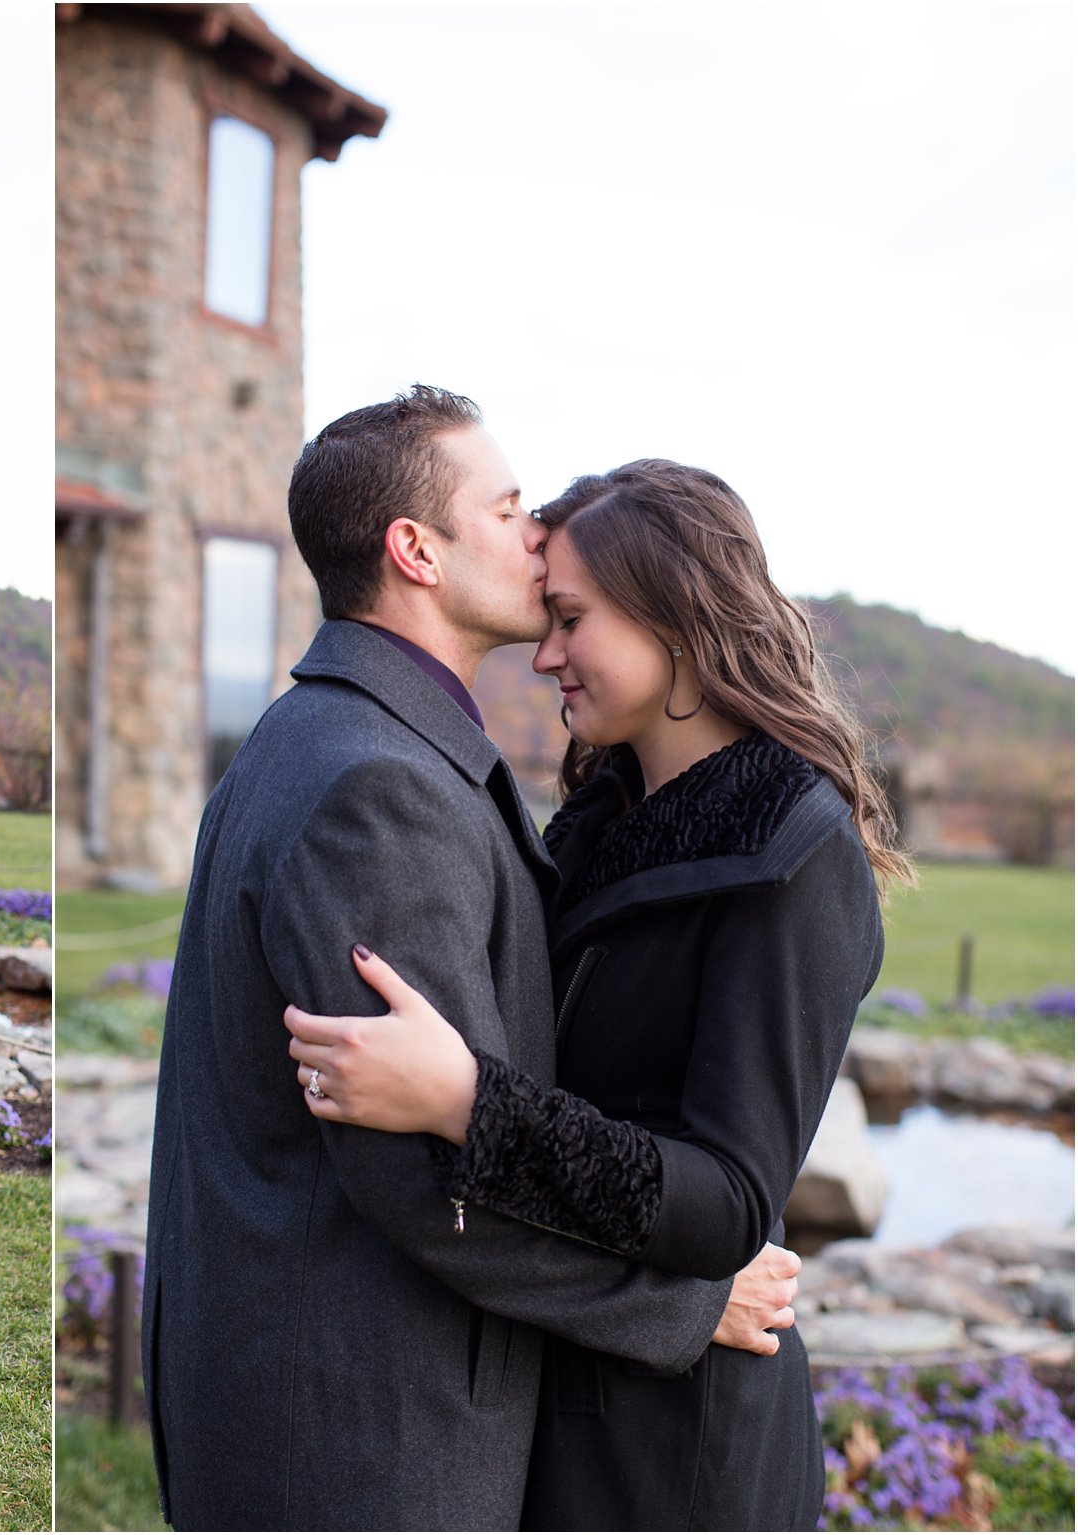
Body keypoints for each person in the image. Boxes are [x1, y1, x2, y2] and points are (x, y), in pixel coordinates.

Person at [142, 387, 802, 1531]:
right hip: (365, 1439)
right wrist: (684, 1301)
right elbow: (428, 1180)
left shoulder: (327, 738)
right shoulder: (373, 785)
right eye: (503, 510)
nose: (536, 534)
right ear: (415, 551)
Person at [283, 458, 904, 1530]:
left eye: (569, 619)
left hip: (680, 1448)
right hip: (560, 1396)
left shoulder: (791, 856)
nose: (545, 652)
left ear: (671, 617)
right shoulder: (591, 827)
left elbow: (724, 1203)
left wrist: (465, 1103)